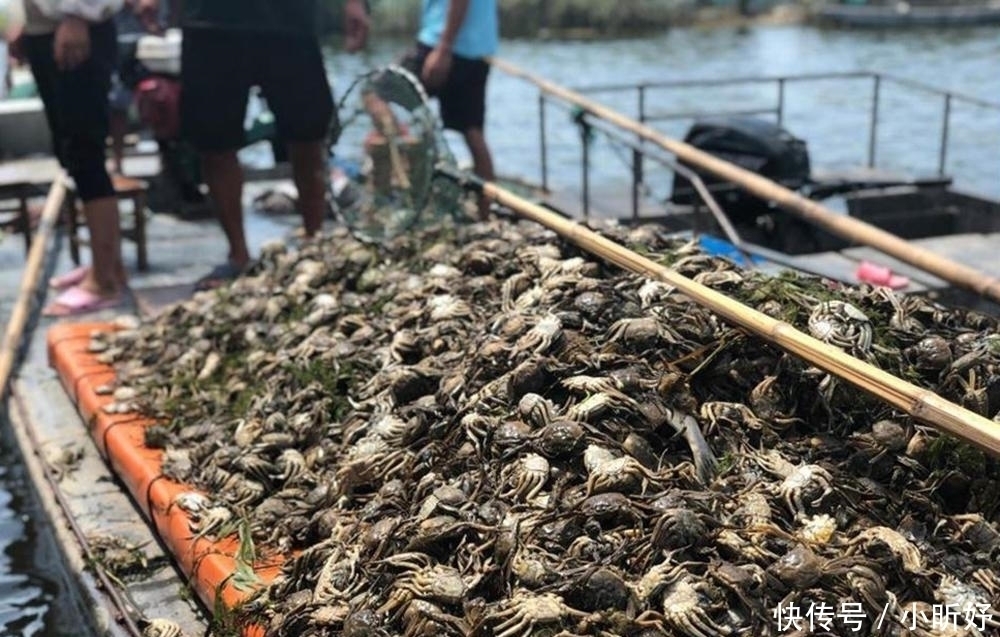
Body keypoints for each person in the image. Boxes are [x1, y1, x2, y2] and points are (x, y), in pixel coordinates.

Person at [137, 0, 370, 291]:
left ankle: (315, 243)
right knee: (214, 143)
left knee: (309, 137)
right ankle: (238, 256)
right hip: (211, 22)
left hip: (289, 20)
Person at [7, 0, 128, 315]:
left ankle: (104, 282)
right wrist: (30, 23)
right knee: (70, 152)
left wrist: (77, 15)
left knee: (85, 153)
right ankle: (108, 266)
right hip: (47, 28)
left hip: (75, 25)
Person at [402, 0, 498, 217]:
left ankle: (394, 195)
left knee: (377, 92)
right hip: (476, 48)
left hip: (441, 44)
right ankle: (485, 215)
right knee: (473, 131)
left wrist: (444, 48)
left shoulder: (443, 47)